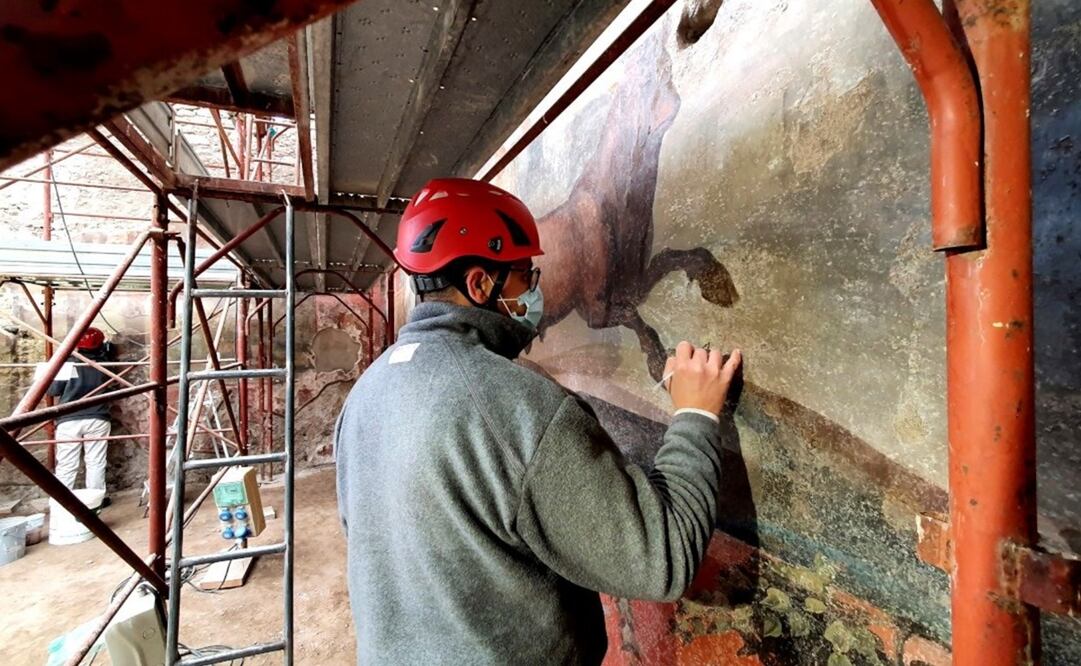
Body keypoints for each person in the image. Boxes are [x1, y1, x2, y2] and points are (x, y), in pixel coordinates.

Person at [335, 178, 742, 665]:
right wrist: (696, 413)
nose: (535, 289)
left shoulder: (363, 395)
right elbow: (662, 559)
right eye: (525, 275)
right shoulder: (518, 405)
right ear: (481, 284)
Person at [47, 326, 115, 499]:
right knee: (96, 462)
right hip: (98, 417)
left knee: (66, 465)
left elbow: (53, 390)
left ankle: (61, 502)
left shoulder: (68, 363)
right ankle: (96, 501)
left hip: (69, 419)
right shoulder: (105, 364)